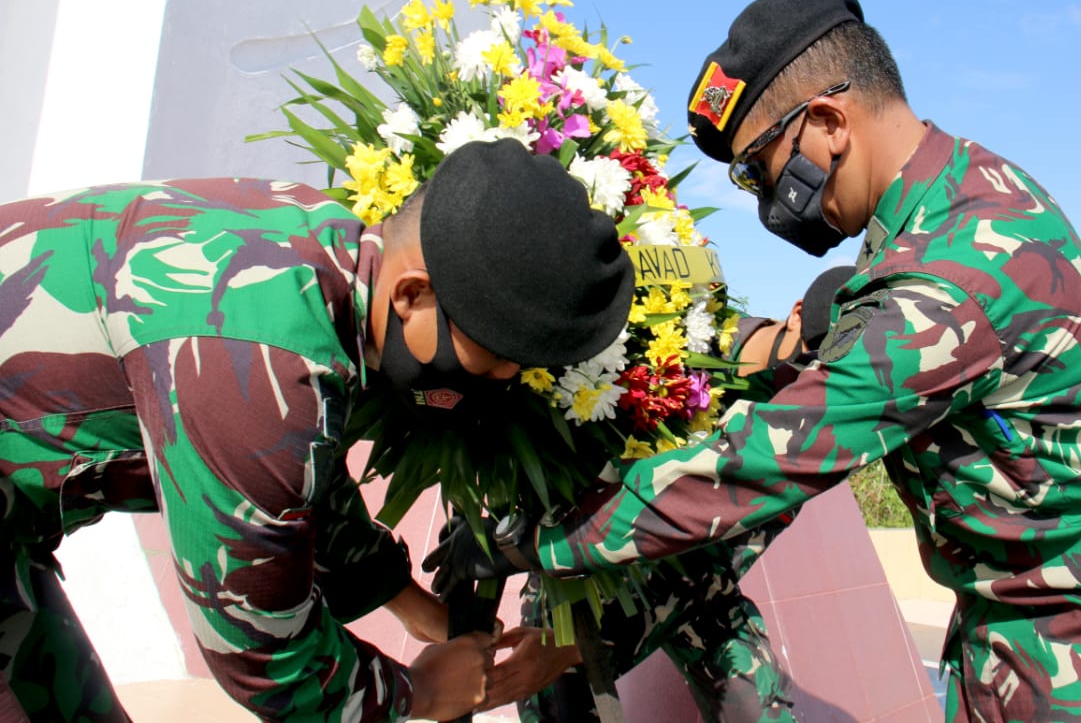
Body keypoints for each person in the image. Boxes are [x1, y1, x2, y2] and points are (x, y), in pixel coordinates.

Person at [426, 0, 1081, 722]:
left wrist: (524, 538)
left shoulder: (953, 269)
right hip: (1023, 605)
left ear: (827, 122)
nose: (763, 201)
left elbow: (758, 465)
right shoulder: (934, 215)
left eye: (760, 169)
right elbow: (799, 383)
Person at [0, 138, 634, 722]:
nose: (501, 377)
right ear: (413, 294)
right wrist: (417, 694)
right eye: (493, 354)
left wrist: (414, 609)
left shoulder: (323, 249)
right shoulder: (251, 355)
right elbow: (261, 655)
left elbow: (305, 479)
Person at [500, 266, 855, 723]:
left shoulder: (816, 422)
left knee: (761, 712)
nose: (811, 379)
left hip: (693, 578)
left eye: (832, 373)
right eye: (811, 357)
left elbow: (715, 564)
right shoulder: (683, 339)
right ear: (797, 315)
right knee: (551, 698)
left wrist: (587, 650)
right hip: (583, 565)